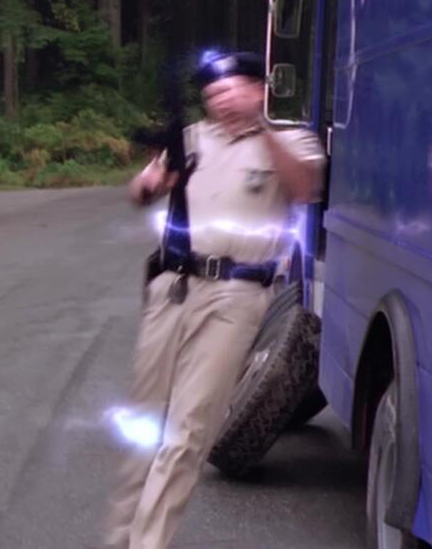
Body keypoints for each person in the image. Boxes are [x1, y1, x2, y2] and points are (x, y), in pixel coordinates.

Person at [102, 51, 325, 549]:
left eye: (231, 88)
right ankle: (118, 538)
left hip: (236, 297)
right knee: (144, 420)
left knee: (188, 430)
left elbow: (305, 187)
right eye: (212, 91)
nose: (220, 98)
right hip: (173, 287)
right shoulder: (190, 139)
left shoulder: (292, 140)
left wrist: (262, 129)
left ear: (258, 89)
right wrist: (150, 184)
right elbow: (140, 191)